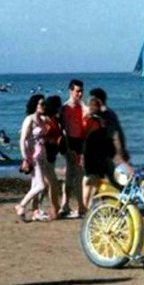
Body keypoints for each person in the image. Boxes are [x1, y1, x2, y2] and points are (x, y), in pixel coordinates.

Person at [82, 88, 132, 208]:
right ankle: (93, 205)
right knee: (100, 179)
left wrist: (120, 153)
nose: (90, 102)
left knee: (113, 179)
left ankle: (124, 203)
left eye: (92, 99)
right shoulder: (105, 113)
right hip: (105, 152)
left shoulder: (105, 114)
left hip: (109, 152)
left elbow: (114, 135)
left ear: (98, 100)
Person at [15, 94, 55, 222]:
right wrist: (25, 158)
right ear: (35, 105)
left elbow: (43, 133)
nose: (43, 106)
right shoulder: (30, 119)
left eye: (44, 104)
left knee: (35, 185)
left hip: (41, 155)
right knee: (41, 186)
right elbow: (22, 140)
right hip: (33, 157)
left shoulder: (42, 119)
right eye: (41, 104)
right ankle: (21, 205)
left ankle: (35, 212)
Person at [60, 79, 88, 218]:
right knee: (72, 174)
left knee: (76, 174)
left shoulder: (82, 107)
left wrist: (82, 104)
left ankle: (72, 205)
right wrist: (68, 148)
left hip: (80, 141)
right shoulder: (65, 108)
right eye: (77, 91)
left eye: (81, 91)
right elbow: (63, 129)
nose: (80, 94)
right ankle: (70, 205)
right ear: (71, 91)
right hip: (70, 141)